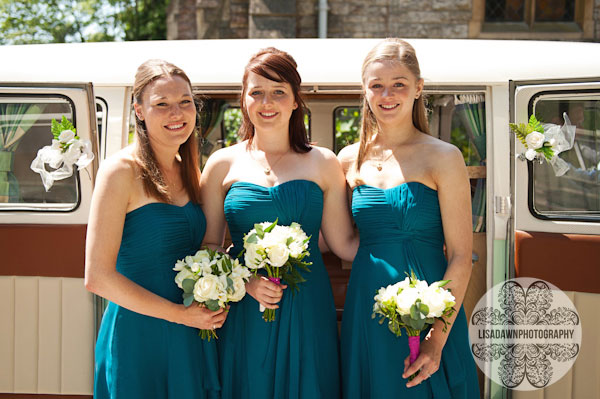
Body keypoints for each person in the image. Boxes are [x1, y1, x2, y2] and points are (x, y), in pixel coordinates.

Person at [200, 47, 358, 399]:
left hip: (307, 304)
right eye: (256, 91)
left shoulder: (323, 162)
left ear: (295, 101)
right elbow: (209, 246)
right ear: (243, 99)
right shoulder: (221, 165)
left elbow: (343, 243)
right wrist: (246, 282)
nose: (266, 102)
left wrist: (411, 246)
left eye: (278, 92)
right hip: (245, 306)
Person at [338, 38, 480, 398]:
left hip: (430, 310)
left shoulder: (444, 157)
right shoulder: (348, 159)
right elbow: (343, 242)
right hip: (367, 307)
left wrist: (436, 338)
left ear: (418, 88)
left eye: (398, 84)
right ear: (365, 91)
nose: (387, 95)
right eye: (377, 85)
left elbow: (462, 256)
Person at [85, 59, 227, 399]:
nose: (176, 114)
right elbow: (97, 276)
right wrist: (180, 315)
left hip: (190, 334)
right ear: (139, 110)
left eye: (184, 102)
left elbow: (207, 246)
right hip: (139, 336)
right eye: (161, 104)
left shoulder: (191, 169)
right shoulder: (119, 171)